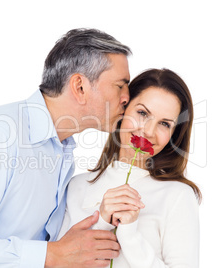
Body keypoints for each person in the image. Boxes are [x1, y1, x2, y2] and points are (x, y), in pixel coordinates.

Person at [0, 28, 132, 267]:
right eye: (120, 85)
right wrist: (51, 254)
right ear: (80, 87)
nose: (127, 97)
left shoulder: (62, 150)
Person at [58, 68, 202, 267]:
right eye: (142, 113)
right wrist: (103, 223)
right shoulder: (76, 186)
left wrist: (130, 234)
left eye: (165, 124)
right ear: (123, 109)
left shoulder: (178, 196)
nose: (148, 131)